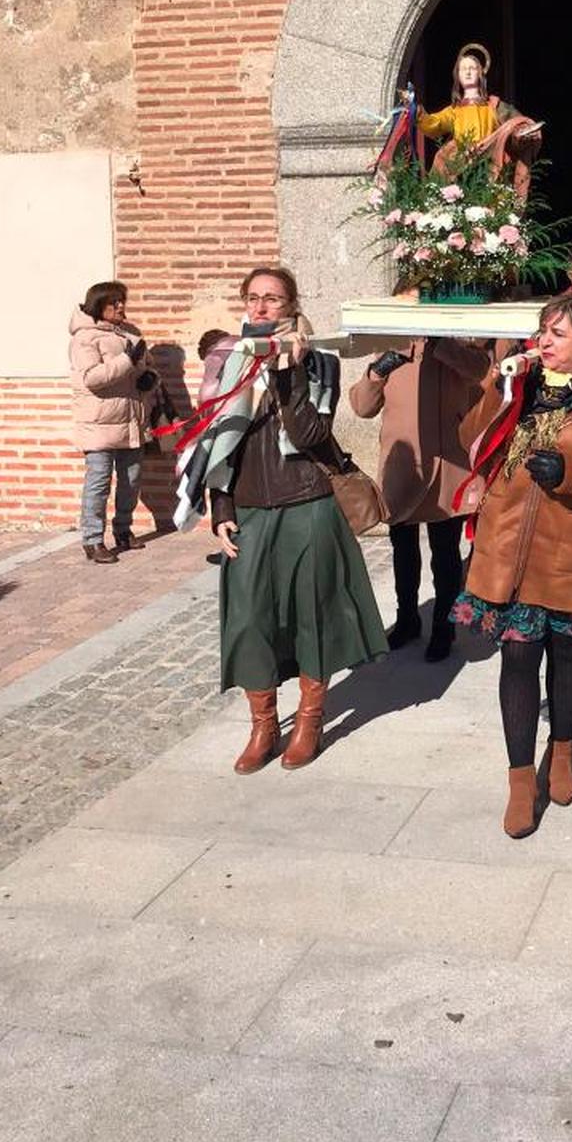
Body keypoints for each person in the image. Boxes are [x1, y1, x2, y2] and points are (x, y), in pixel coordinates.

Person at [451, 292, 572, 837]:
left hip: (569, 551)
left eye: (558, 334)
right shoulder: (521, 388)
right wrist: (498, 387)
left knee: (564, 655)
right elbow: (471, 440)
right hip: (507, 549)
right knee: (516, 659)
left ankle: (561, 754)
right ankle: (519, 781)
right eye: (542, 331)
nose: (545, 342)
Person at [205, 266, 387, 774]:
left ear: (291, 306)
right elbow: (215, 444)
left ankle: (309, 721)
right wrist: (220, 509)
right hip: (248, 509)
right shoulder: (226, 360)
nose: (263, 308)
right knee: (248, 621)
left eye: (274, 300)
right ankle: (264, 725)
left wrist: (289, 372)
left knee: (313, 614)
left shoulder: (319, 363)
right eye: (255, 298)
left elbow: (308, 434)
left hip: (307, 503)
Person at [349, 337, 490, 661]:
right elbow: (362, 406)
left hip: (448, 466)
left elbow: (479, 371)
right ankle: (407, 618)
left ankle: (444, 626)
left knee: (446, 554)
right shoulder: (393, 348)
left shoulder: (455, 345)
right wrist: (379, 369)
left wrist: (444, 347)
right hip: (404, 466)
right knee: (403, 549)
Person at [69, 280, 157, 564]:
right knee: (99, 482)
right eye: (114, 302)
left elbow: (144, 367)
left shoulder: (130, 333)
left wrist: (148, 378)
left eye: (122, 301)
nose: (121, 306)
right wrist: (126, 362)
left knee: (131, 480)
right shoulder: (85, 338)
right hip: (99, 424)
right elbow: (91, 378)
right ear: (99, 305)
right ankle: (93, 540)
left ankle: (123, 530)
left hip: (131, 419)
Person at [408, 43, 541, 202]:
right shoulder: (454, 110)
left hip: (490, 161)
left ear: (481, 73)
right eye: (463, 69)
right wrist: (417, 112)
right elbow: (434, 124)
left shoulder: (494, 106)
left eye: (473, 68)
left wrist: (521, 132)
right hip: (461, 161)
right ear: (457, 75)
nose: (468, 72)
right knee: (444, 163)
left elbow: (515, 124)